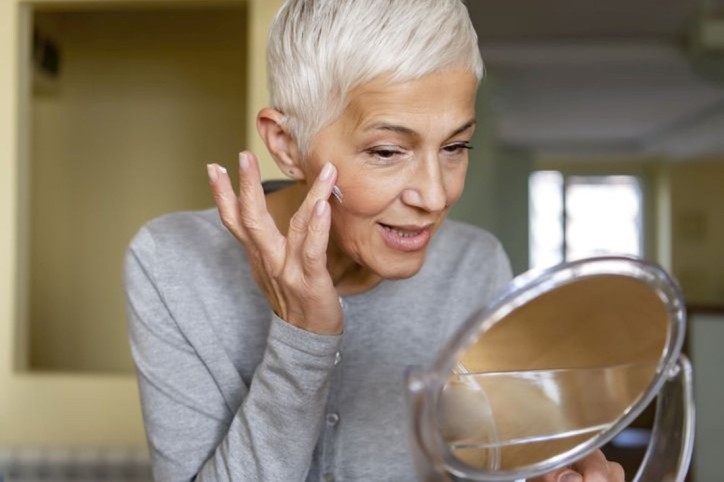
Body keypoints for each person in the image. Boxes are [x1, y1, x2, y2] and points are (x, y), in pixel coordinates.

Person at [124, 1, 625, 481]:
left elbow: (492, 463)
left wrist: (544, 472)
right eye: (387, 151)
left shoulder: (474, 266)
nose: (435, 195)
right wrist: (303, 340)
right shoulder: (174, 263)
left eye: (455, 146)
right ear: (287, 145)